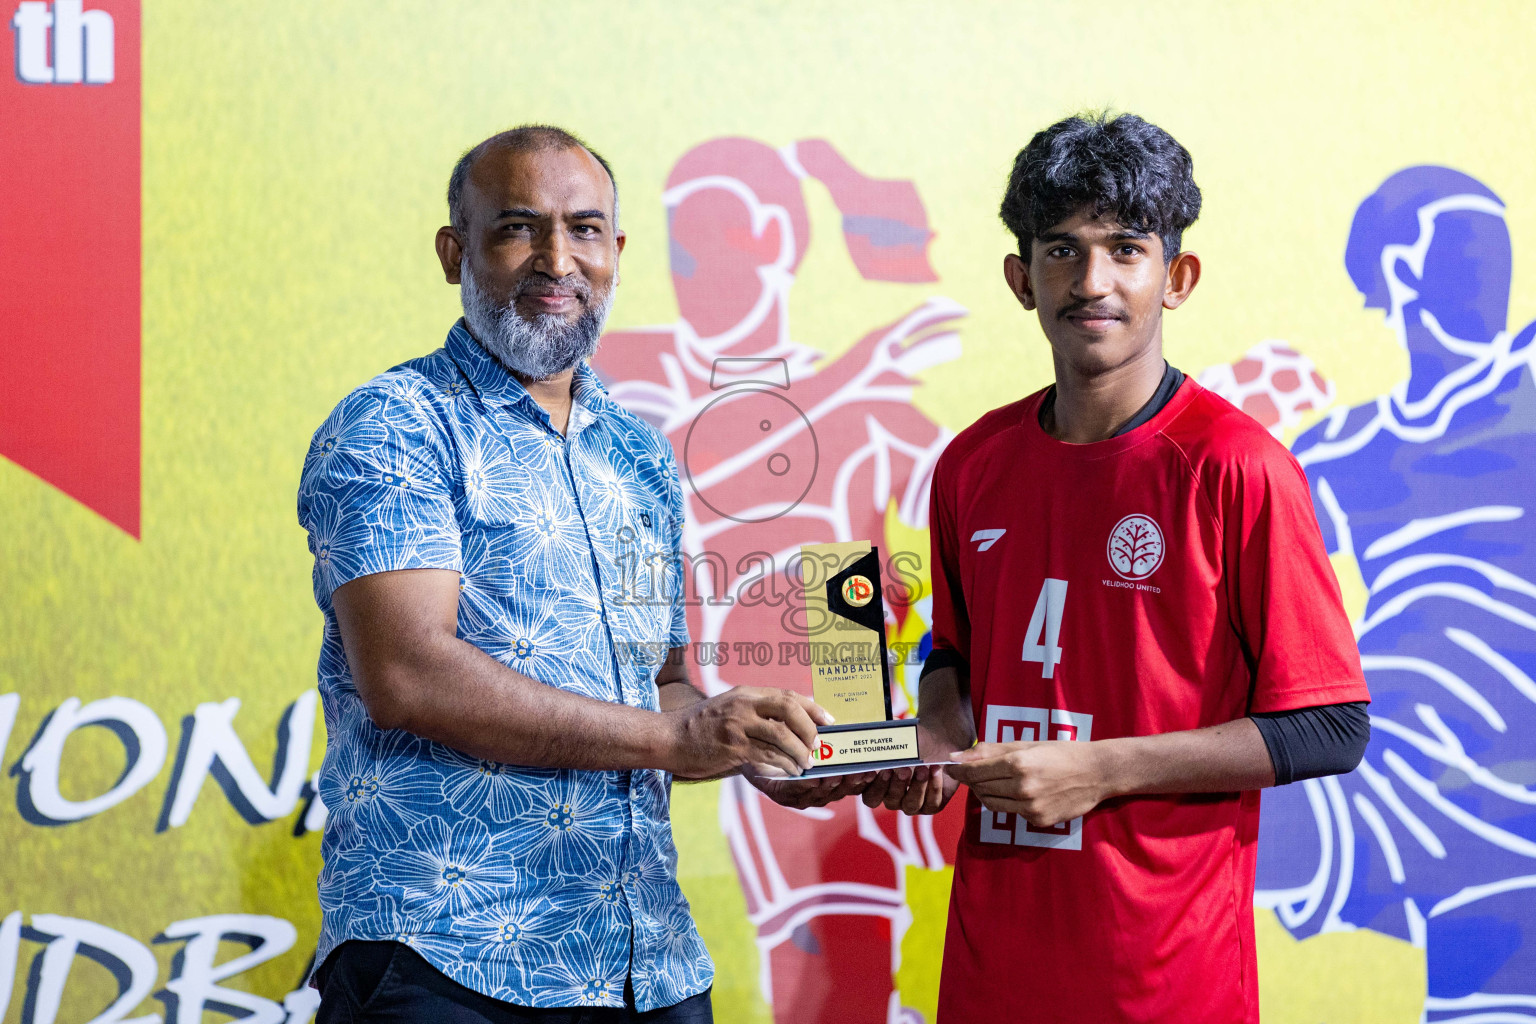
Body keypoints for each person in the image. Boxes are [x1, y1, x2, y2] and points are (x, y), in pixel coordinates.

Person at [295, 125, 832, 1024]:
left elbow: (659, 687)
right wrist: (677, 741)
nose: (557, 260)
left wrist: (755, 748)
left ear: (616, 252)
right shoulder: (396, 424)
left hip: (642, 961)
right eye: (517, 228)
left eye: (585, 230)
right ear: (452, 251)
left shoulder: (639, 452)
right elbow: (407, 676)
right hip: (447, 956)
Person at [867, 112, 1373, 1021]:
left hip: (1167, 979)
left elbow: (1329, 726)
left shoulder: (1236, 465)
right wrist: (938, 739)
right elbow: (956, 653)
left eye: (1125, 249)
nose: (1090, 282)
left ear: (1175, 278)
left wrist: (1101, 769)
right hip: (992, 969)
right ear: (1022, 278)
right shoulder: (973, 464)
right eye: (1061, 250)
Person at [1259, 167, 1536, 1006]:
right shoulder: (1340, 454)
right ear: (1399, 271)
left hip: (1506, 764)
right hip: (1388, 762)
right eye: (1466, 248)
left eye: (1500, 249)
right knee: (1166, 815)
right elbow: (1243, 596)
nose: (1491, 271)